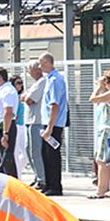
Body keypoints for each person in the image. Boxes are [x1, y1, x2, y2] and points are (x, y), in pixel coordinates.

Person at [38, 52, 69, 197]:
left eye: (41, 63)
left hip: (54, 124)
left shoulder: (56, 80)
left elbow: (55, 105)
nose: (40, 66)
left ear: (48, 63)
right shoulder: (49, 79)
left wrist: (50, 128)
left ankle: (55, 186)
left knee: (52, 155)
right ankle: (49, 184)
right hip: (48, 122)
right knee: (45, 154)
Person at [90, 70, 110, 199]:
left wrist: (99, 87)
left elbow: (93, 99)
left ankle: (100, 190)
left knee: (101, 161)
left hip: (107, 130)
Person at [23, 60, 47, 188]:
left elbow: (29, 99)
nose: (28, 72)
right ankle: (37, 175)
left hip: (37, 121)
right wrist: (26, 96)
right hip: (30, 120)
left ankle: (42, 178)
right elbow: (24, 96)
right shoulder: (35, 84)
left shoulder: (42, 82)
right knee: (28, 150)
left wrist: (26, 96)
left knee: (36, 151)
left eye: (29, 69)